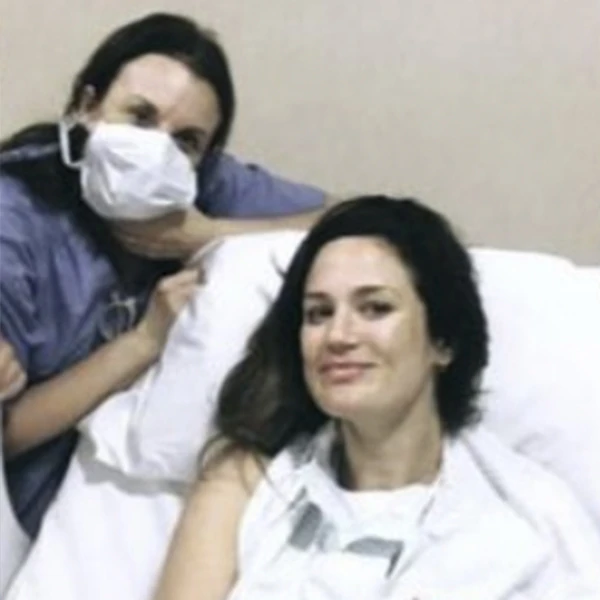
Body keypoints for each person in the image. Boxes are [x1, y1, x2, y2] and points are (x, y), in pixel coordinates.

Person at [155, 196, 600, 600]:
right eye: (318, 313)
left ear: (444, 340)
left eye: (375, 308)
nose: (338, 335)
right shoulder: (249, 483)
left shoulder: (532, 518)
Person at [0, 12, 333, 538]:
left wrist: (210, 235)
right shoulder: (15, 222)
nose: (158, 148)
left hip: (124, 498)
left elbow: (355, 221)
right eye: (139, 117)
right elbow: (8, 435)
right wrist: (144, 342)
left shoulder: (203, 185)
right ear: (88, 107)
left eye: (186, 141)